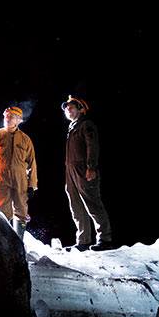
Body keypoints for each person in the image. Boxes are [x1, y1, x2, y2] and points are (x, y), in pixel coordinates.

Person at [62, 95, 113, 251]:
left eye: (72, 107)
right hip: (71, 171)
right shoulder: (72, 128)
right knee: (76, 206)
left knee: (93, 204)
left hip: (83, 169)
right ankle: (83, 241)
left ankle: (105, 239)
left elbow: (92, 146)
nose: (68, 110)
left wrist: (91, 167)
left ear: (81, 109)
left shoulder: (86, 125)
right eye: (67, 108)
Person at [0, 106, 37, 238]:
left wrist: (32, 184)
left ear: (19, 120)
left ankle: (18, 241)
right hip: (1, 178)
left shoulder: (25, 139)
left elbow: (32, 163)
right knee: (2, 211)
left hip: (20, 179)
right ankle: (4, 242)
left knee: (21, 210)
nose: (8, 118)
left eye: (11, 116)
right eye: (6, 115)